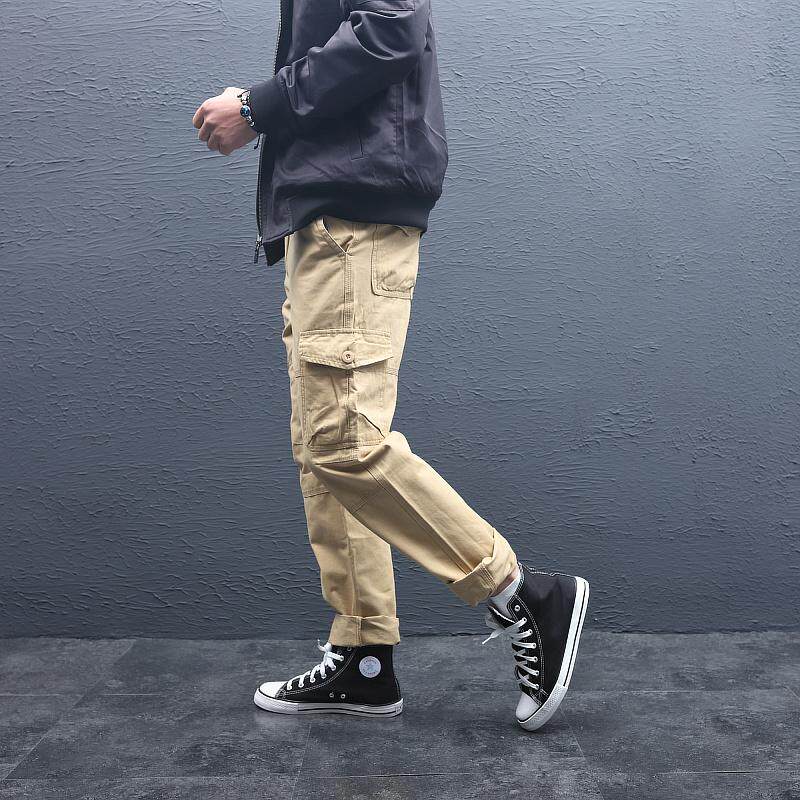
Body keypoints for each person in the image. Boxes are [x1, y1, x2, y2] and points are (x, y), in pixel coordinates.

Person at [191, 0, 589, 731]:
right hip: (325, 216)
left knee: (344, 440)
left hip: (353, 214)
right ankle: (364, 658)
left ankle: (525, 593)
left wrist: (256, 106)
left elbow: (390, 29)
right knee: (321, 451)